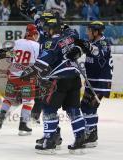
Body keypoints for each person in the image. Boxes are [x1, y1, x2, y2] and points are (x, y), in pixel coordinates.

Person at [21, 19, 87, 153]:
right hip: (74, 78)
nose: (46, 31)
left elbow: (41, 64)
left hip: (58, 80)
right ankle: (80, 139)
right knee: (73, 110)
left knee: (48, 109)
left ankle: (50, 141)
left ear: (51, 29)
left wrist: (26, 73)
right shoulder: (70, 36)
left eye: (47, 29)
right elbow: (81, 43)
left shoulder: (50, 43)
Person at [0, 24, 40, 136]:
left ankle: (1, 117)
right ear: (34, 34)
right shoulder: (37, 45)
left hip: (13, 77)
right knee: (28, 102)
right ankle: (23, 126)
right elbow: (38, 61)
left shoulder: (18, 42)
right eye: (36, 34)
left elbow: (11, 55)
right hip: (26, 78)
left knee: (9, 99)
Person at [81, 21, 113, 148]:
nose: (87, 33)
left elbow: (98, 53)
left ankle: (92, 135)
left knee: (90, 107)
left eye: (89, 31)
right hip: (92, 81)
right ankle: (90, 132)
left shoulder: (103, 43)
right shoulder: (94, 42)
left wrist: (85, 45)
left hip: (101, 82)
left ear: (96, 32)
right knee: (85, 106)